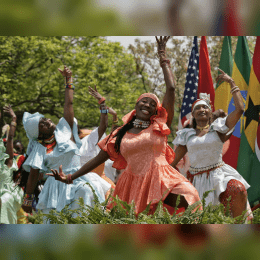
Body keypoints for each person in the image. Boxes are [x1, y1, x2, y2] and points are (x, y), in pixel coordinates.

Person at [48, 37, 201, 215]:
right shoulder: (120, 134)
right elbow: (96, 160)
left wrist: (162, 57)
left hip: (162, 178)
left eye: (152, 104)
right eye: (144, 101)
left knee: (190, 196)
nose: (147, 105)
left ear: (155, 111)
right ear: (136, 106)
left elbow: (171, 88)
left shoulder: (159, 125)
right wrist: (69, 178)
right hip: (131, 184)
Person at [21, 66, 111, 220]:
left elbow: (68, 104)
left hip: (78, 179)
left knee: (85, 197)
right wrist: (28, 199)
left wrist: (68, 79)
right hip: (54, 189)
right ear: (39, 133)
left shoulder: (65, 131)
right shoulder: (39, 148)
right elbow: (33, 176)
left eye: (46, 119)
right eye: (42, 123)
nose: (48, 121)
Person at [171, 69, 252, 220]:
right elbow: (173, 162)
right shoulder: (186, 135)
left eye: (205, 107)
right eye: (197, 108)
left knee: (237, 188)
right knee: (204, 219)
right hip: (196, 180)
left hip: (220, 176)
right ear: (193, 115)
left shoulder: (218, 128)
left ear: (210, 113)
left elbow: (240, 109)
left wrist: (231, 83)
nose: (201, 110)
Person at [0, 105, 24, 224]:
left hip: (8, 195)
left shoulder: (9, 161)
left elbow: (10, 138)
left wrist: (14, 118)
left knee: (4, 200)